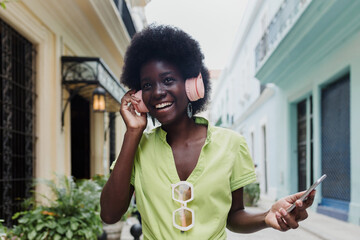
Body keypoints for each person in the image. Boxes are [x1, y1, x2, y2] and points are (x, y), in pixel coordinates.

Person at [100, 24, 315, 239]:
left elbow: (234, 216)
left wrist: (268, 215)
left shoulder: (231, 144)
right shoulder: (137, 147)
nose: (157, 92)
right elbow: (110, 215)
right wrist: (132, 132)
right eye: (147, 85)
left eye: (167, 80)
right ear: (139, 96)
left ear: (192, 85)